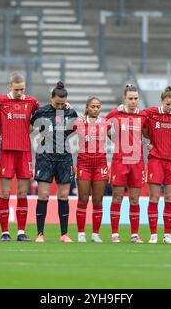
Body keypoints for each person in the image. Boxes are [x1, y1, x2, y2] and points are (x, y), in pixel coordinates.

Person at [30, 81, 78, 243]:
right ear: (51, 99)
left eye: (62, 103)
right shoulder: (41, 112)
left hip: (64, 158)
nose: (60, 106)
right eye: (57, 103)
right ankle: (40, 234)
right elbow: (28, 127)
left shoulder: (71, 113)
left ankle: (64, 234)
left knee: (64, 195)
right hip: (45, 157)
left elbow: (72, 132)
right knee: (43, 194)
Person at [0, 73, 39, 242]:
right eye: (16, 89)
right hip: (7, 152)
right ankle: (4, 231)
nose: (20, 93)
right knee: (5, 193)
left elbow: (43, 115)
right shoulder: (1, 101)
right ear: (10, 87)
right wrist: (3, 134)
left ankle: (21, 231)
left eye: (22, 89)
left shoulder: (31, 102)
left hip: (24, 152)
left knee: (22, 193)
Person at [107, 84, 148, 243]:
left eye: (136, 99)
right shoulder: (115, 114)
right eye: (130, 98)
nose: (133, 101)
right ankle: (114, 234)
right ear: (125, 98)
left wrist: (148, 145)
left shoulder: (143, 116)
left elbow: (149, 134)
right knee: (117, 197)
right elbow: (103, 127)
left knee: (135, 199)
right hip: (120, 161)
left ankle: (134, 234)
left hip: (137, 162)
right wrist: (116, 141)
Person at [143, 86, 171, 244]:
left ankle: (167, 234)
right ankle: (153, 234)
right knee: (154, 197)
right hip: (156, 160)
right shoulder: (151, 112)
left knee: (170, 197)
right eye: (168, 104)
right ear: (162, 101)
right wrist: (149, 141)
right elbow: (139, 120)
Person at [74, 96, 110, 243]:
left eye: (98, 106)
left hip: (100, 163)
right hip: (84, 162)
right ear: (87, 108)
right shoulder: (79, 123)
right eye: (93, 106)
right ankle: (81, 233)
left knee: (97, 199)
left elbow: (118, 138)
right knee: (82, 199)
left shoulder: (106, 123)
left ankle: (95, 234)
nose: (96, 109)